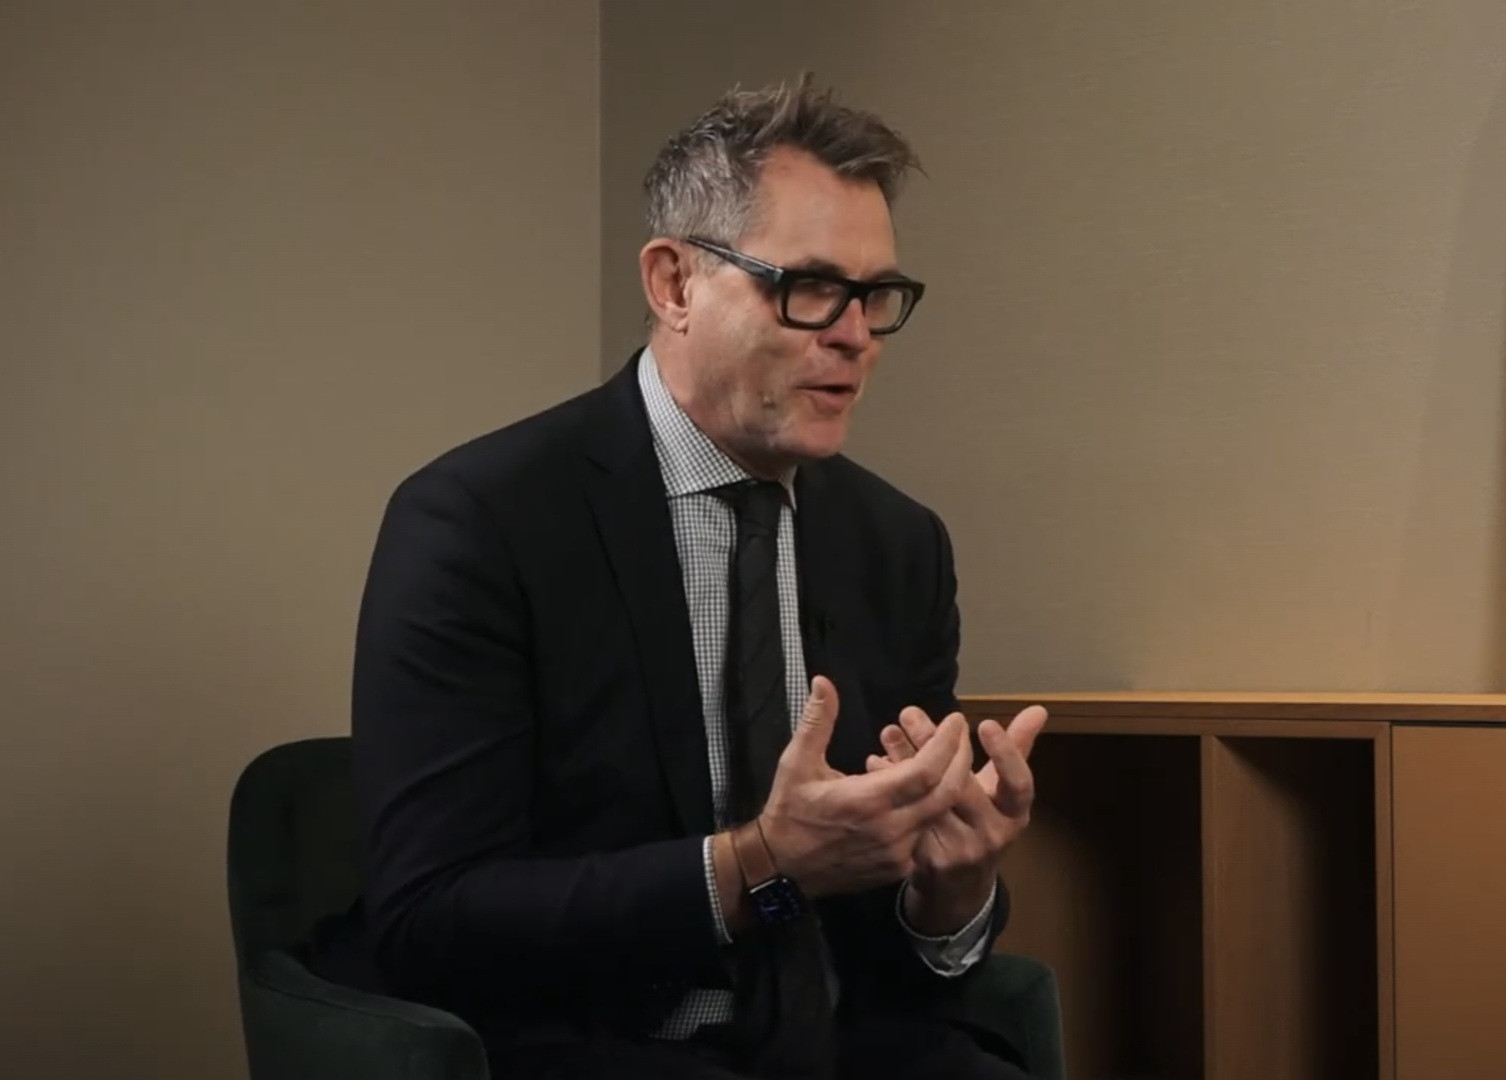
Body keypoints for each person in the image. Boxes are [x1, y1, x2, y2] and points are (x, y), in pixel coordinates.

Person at [308, 76, 1049, 1079]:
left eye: (876, 296)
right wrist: (759, 863)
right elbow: (433, 918)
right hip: (589, 1043)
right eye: (810, 287)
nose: (853, 334)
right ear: (673, 285)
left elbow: (880, 943)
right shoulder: (479, 522)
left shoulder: (899, 545)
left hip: (836, 1046)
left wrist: (948, 892)